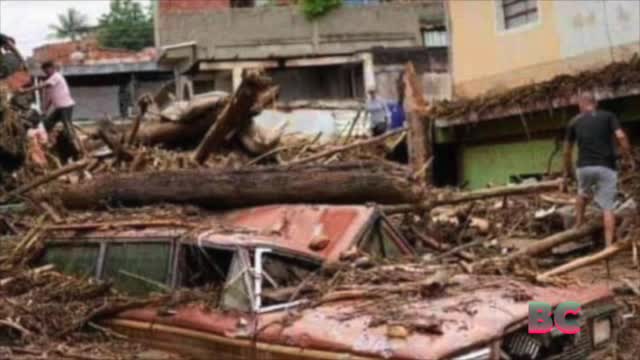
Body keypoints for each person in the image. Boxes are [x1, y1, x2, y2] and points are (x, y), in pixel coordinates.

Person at [563, 93, 635, 247]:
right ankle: (608, 245)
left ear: (581, 105)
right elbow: (621, 136)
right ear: (595, 103)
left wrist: (566, 172)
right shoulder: (609, 116)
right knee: (607, 206)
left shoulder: (574, 121)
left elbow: (567, 150)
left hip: (584, 167)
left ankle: (579, 224)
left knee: (582, 194)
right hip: (606, 166)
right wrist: (627, 155)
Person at [19, 61, 78, 155]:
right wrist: (44, 111)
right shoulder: (50, 81)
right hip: (59, 107)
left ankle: (75, 145)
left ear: (51, 68)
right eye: (44, 70)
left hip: (66, 106)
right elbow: (50, 98)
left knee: (67, 124)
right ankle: (47, 143)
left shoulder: (56, 76)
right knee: (47, 124)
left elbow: (43, 85)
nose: (45, 72)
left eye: (46, 70)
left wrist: (26, 90)